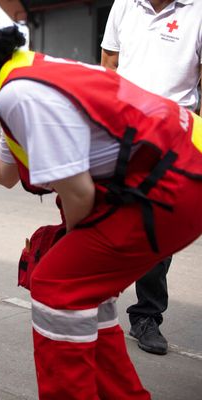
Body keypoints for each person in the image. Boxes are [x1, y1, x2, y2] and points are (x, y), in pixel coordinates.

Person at [0, 7, 202, 399]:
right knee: (87, 294)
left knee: (56, 283)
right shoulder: (21, 75)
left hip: (173, 183)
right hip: (178, 168)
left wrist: (73, 247)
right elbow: (5, 173)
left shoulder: (20, 95)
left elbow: (78, 195)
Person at [100, 0, 202, 356]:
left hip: (175, 134)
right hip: (124, 129)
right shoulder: (124, 5)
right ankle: (95, 300)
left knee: (157, 226)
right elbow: (109, 63)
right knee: (107, 215)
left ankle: (146, 317)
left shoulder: (197, 10)